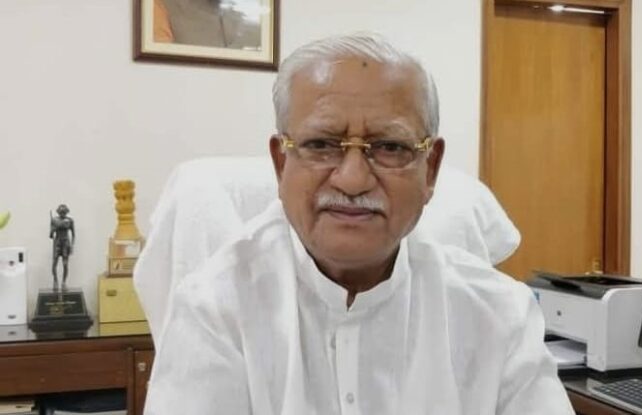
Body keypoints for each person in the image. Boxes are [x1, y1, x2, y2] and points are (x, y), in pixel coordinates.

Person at [144, 33, 574, 414]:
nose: (352, 179)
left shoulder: (498, 315)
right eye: (321, 144)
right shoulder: (215, 309)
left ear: (430, 169)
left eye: (390, 147)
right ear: (281, 163)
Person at [50, 204, 75, 291]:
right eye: (61, 212)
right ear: (58, 212)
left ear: (66, 212)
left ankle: (64, 282)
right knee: (54, 263)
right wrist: (53, 229)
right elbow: (51, 235)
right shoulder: (54, 220)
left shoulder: (70, 221)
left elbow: (73, 235)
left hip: (65, 243)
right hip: (57, 242)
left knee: (65, 264)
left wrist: (72, 246)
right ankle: (55, 281)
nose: (62, 214)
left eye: (64, 212)